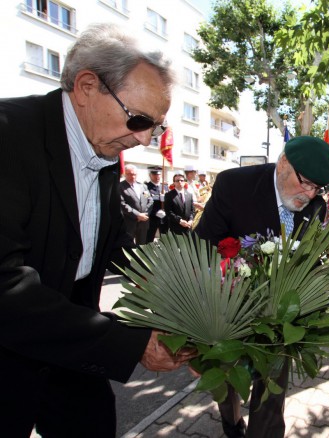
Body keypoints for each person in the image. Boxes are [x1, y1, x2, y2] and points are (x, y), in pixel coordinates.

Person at [0, 23, 194, 437]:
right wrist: (132, 344)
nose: (144, 139)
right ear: (87, 86)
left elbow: (112, 245)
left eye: (154, 127)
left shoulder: (103, 148)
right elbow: (4, 286)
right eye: (139, 119)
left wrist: (183, 290)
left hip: (73, 352)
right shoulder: (8, 135)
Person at [195, 135, 329, 438]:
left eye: (318, 188)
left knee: (272, 393)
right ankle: (232, 424)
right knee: (228, 379)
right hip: (229, 310)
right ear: (284, 163)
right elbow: (202, 246)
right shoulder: (234, 186)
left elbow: (308, 258)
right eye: (306, 183)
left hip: (281, 319)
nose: (310, 195)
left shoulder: (315, 206)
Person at [119, 164, 153, 245]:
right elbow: (122, 204)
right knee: (128, 245)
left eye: (134, 174)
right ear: (125, 174)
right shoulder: (120, 186)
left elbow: (150, 200)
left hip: (143, 221)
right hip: (129, 222)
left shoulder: (143, 186)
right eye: (129, 174)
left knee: (142, 245)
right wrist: (137, 215)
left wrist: (145, 214)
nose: (132, 176)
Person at [145, 166, 169, 242]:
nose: (157, 176)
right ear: (150, 175)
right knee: (148, 239)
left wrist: (165, 199)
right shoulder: (145, 187)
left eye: (158, 174)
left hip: (164, 217)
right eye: (154, 174)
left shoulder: (165, 186)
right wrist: (155, 212)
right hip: (152, 218)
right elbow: (145, 201)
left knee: (165, 240)